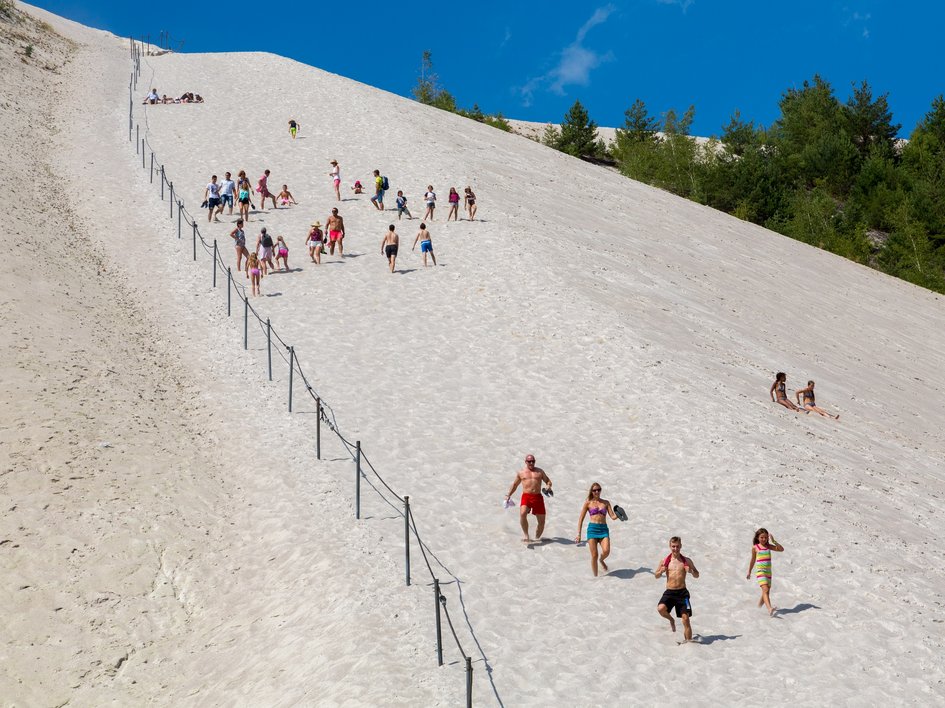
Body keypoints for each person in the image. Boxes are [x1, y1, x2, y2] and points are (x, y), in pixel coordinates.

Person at [655, 536, 700, 643]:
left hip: (683, 594)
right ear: (670, 546)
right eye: (673, 546)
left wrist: (691, 571)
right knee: (660, 609)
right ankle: (671, 620)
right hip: (669, 592)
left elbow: (697, 575)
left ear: (681, 546)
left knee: (686, 619)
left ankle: (688, 642)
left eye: (677, 546)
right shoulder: (665, 560)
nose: (675, 549)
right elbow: (656, 576)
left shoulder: (687, 561)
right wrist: (660, 571)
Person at [504, 455, 553, 543]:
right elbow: (515, 485)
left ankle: (537, 538)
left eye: (533, 461)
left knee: (542, 522)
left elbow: (548, 481)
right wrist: (508, 495)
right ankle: (526, 535)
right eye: (529, 461)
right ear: (525, 462)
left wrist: (548, 486)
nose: (531, 463)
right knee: (522, 513)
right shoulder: (521, 472)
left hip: (538, 497)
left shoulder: (540, 471)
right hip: (526, 496)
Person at [575, 483, 618, 577]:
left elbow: (613, 516)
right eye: (594, 490)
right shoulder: (588, 503)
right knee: (594, 555)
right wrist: (578, 534)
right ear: (592, 491)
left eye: (598, 489)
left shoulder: (606, 502)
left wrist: (619, 515)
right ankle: (596, 577)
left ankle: (601, 560)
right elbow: (581, 519)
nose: (597, 492)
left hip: (603, 530)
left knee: (606, 551)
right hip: (592, 530)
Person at [746, 528, 784, 617]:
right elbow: (752, 560)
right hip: (760, 572)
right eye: (762, 537)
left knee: (765, 592)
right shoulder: (755, 547)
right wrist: (749, 571)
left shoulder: (768, 546)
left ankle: (758, 607)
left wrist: (774, 541)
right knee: (765, 590)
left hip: (768, 573)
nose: (764, 539)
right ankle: (769, 609)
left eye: (766, 538)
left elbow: (781, 549)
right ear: (757, 538)